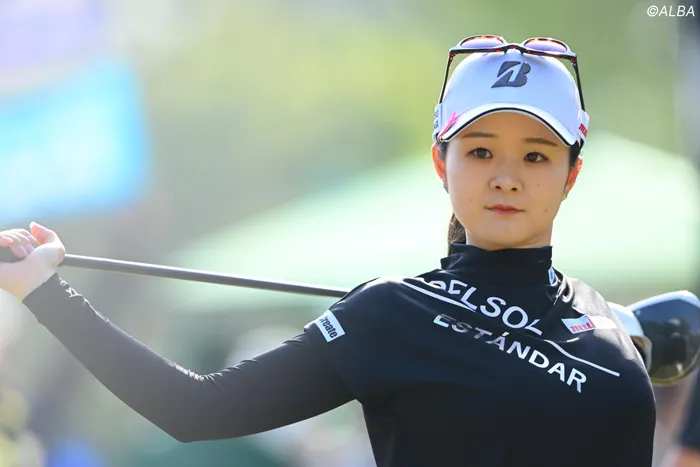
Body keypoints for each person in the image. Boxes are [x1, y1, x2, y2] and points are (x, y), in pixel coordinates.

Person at [0, 36, 658, 467]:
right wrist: (45, 291)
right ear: (442, 163)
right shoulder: (391, 312)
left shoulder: (602, 318)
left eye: (536, 155)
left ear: (571, 174)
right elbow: (195, 408)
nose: (506, 177)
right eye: (481, 150)